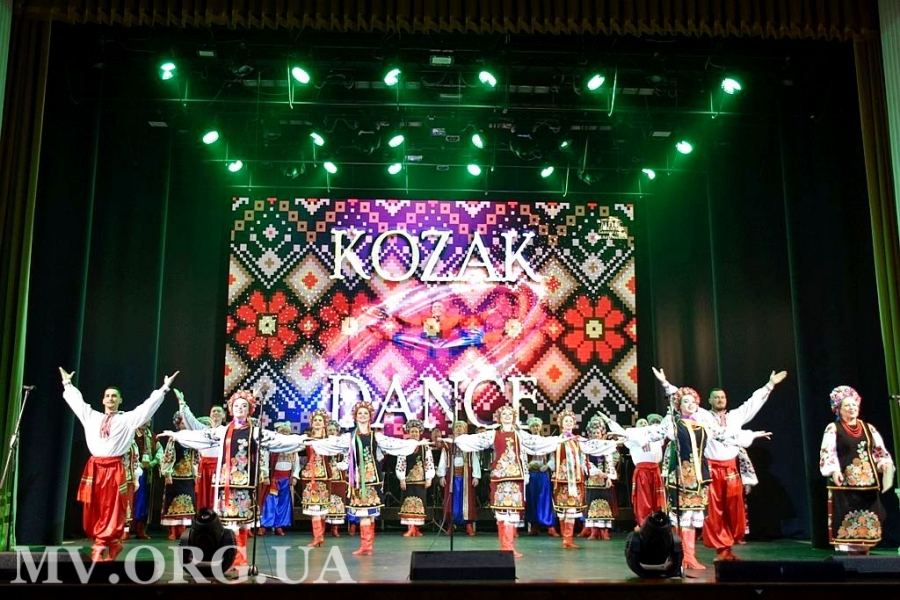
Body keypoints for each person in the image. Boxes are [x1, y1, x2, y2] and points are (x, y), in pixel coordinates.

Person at [629, 371, 772, 570]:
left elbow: (726, 434)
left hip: (698, 477)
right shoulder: (674, 425)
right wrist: (665, 384)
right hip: (680, 476)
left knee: (692, 517)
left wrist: (753, 435)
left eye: (693, 402)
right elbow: (652, 433)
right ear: (679, 405)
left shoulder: (704, 426)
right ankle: (679, 556)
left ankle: (690, 556)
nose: (690, 404)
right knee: (680, 517)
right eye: (686, 402)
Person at [264, 400, 428, 556]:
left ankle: (367, 545)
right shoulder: (350, 437)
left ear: (370, 416)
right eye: (360, 413)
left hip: (372, 479)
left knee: (369, 513)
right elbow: (331, 444)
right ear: (355, 416)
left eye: (365, 413)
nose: (362, 416)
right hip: (358, 479)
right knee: (363, 513)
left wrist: (416, 444)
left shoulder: (376, 436)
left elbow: (393, 444)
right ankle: (365, 545)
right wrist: (312, 443)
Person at [453, 404, 618, 557]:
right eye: (504, 414)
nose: (507, 417)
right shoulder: (493, 434)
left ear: (514, 417)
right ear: (499, 418)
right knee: (503, 513)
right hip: (500, 477)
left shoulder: (520, 435)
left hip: (517, 477)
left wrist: (558, 441)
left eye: (510, 414)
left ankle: (510, 547)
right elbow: (475, 440)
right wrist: (457, 439)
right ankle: (506, 547)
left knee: (513, 512)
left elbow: (539, 442)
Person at [59, 366, 179, 562]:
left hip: (114, 469)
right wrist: (67, 383)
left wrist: (164, 388)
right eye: (107, 396)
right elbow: (78, 404)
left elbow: (146, 407)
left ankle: (100, 546)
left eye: (114, 396)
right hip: (94, 468)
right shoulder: (92, 417)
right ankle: (113, 543)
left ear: (120, 400)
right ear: (103, 400)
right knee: (93, 508)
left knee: (112, 508)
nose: (110, 398)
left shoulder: (127, 420)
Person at [158, 388, 272, 574]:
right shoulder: (220, 432)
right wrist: (177, 432)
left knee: (238, 521)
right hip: (218, 479)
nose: (240, 409)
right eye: (236, 406)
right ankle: (221, 554)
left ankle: (239, 559)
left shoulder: (250, 431)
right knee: (216, 516)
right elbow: (197, 432)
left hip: (239, 482)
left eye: (244, 406)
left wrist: (301, 440)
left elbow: (272, 441)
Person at [819, 385, 894, 554]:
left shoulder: (869, 428)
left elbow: (879, 452)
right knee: (849, 525)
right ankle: (852, 560)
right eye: (847, 405)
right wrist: (834, 471)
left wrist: (884, 465)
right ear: (838, 409)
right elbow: (828, 452)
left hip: (868, 486)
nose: (852, 408)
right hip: (845, 484)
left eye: (854, 404)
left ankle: (864, 557)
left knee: (868, 526)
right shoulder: (833, 428)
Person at [176, 392, 227, 512]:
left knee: (216, 496)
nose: (216, 413)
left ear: (224, 415)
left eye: (219, 411)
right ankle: (203, 519)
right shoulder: (203, 430)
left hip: (219, 467)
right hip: (203, 468)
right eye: (213, 411)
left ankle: (217, 519)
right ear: (210, 414)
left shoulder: (226, 430)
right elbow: (191, 421)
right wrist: (182, 403)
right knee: (203, 496)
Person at [437, 420, 481, 536]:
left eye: (461, 427)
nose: (459, 429)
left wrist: (476, 476)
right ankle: (451, 525)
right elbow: (443, 460)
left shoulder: (470, 444)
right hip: (452, 477)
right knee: (451, 501)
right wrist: (441, 475)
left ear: (465, 430)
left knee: (467, 501)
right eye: (456, 427)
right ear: (453, 430)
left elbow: (475, 460)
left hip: (466, 477)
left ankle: (468, 525)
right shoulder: (448, 444)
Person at [159, 410, 197, 541]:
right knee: (172, 501)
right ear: (178, 424)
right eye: (182, 423)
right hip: (175, 475)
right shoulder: (174, 437)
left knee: (188, 502)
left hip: (189, 475)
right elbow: (168, 455)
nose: (184, 425)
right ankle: (173, 530)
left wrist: (196, 473)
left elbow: (196, 457)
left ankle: (184, 530)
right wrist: (167, 472)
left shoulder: (194, 437)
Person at [297, 409, 333, 546]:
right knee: (314, 508)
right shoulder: (306, 439)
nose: (317, 422)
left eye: (320, 420)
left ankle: (320, 536)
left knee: (322, 508)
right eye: (315, 420)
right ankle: (317, 537)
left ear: (325, 423)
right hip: (310, 475)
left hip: (324, 475)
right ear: (311, 423)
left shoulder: (329, 440)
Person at [258, 421, 301, 536]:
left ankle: (279, 525)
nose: (285, 433)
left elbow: (297, 463)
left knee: (283, 502)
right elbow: (264, 460)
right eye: (282, 431)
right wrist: (265, 475)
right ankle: (264, 525)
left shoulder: (292, 446)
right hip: (274, 478)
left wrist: (295, 476)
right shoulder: (272, 445)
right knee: (270, 501)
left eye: (287, 432)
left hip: (286, 479)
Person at [396, 419, 435, 537]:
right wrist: (401, 478)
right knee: (408, 503)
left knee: (420, 503)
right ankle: (410, 527)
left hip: (420, 481)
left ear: (420, 433)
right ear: (408, 432)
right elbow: (401, 462)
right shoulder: (404, 446)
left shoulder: (425, 447)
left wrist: (429, 477)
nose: (414, 434)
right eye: (412, 431)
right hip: (408, 481)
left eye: (416, 432)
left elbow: (429, 462)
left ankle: (416, 528)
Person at [582, 415, 618, 541]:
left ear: (601, 433)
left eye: (598, 432)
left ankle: (604, 531)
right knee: (591, 503)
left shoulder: (606, 446)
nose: (596, 434)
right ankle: (594, 531)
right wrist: (596, 472)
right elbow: (585, 462)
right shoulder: (586, 446)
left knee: (605, 504)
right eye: (593, 433)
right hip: (592, 479)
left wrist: (608, 477)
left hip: (604, 480)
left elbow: (610, 461)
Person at [130, 419, 163, 540]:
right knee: (133, 499)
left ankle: (140, 529)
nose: (146, 421)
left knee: (144, 501)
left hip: (148, 472)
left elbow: (159, 450)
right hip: (133, 471)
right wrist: (138, 464)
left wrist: (153, 462)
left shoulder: (151, 436)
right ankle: (127, 528)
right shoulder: (131, 434)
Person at [523, 417, 555, 536]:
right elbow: (522, 456)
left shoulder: (546, 441)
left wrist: (547, 466)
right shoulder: (526, 442)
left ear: (540, 427)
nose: (535, 428)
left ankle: (550, 526)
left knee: (544, 499)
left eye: (537, 426)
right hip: (531, 474)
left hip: (542, 473)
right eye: (533, 426)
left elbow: (552, 456)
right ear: (530, 428)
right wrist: (527, 465)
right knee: (532, 499)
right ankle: (534, 526)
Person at [325, 420, 349, 537]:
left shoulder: (342, 444)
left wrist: (338, 466)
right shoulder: (323, 443)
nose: (331, 432)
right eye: (329, 430)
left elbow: (347, 460)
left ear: (338, 432)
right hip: (325, 475)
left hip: (338, 476)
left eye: (334, 430)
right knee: (325, 498)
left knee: (338, 499)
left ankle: (335, 528)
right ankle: (322, 527)